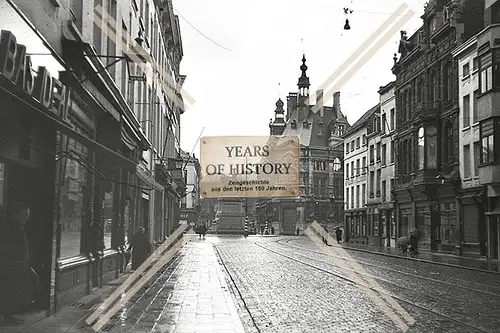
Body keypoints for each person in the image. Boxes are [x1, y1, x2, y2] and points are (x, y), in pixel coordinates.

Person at [0, 203, 37, 326]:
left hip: (17, 265)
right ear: (18, 215)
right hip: (12, 266)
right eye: (25, 215)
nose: (27, 218)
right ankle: (7, 317)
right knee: (10, 291)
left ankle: (9, 316)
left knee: (13, 291)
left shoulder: (18, 226)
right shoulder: (12, 227)